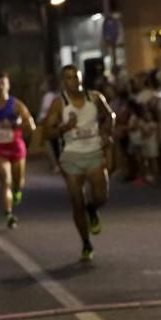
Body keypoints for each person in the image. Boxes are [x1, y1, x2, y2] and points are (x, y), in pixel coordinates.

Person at [42, 65, 116, 262]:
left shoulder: (95, 98)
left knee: (101, 196)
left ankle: (93, 210)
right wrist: (64, 127)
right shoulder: (59, 104)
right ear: (63, 82)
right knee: (76, 201)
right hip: (71, 155)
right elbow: (46, 132)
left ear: (81, 77)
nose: (73, 80)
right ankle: (86, 243)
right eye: (68, 78)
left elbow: (110, 115)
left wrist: (106, 132)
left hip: (94, 152)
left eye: (75, 76)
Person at [0, 72, 36, 228]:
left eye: (3, 83)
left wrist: (16, 124)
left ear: (8, 85)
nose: (1, 87)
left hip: (16, 146)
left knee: (18, 182)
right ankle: (9, 214)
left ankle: (17, 191)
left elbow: (31, 125)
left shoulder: (16, 104)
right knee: (5, 180)